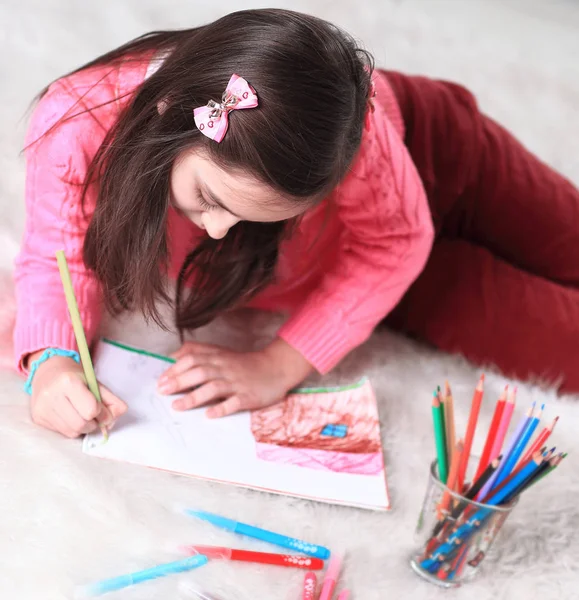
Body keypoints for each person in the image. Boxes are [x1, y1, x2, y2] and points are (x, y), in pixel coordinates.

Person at [14, 9, 579, 439]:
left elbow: (397, 235)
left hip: (445, 155)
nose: (215, 231)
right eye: (210, 198)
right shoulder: (76, 122)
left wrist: (277, 365)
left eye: (251, 216)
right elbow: (54, 255)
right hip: (388, 276)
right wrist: (51, 363)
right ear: (167, 112)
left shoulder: (348, 135)